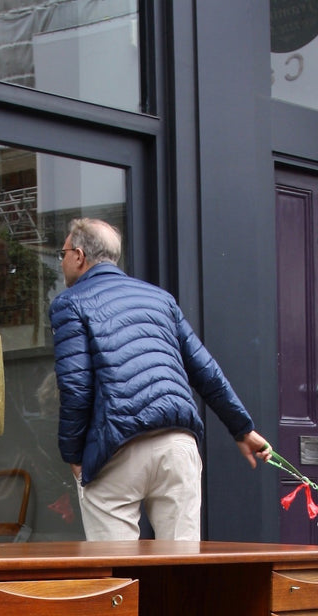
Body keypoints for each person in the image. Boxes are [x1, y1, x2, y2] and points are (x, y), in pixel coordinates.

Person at [49, 217, 272, 541]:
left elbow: (75, 386)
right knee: (181, 574)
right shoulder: (160, 299)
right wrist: (242, 429)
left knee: (119, 579)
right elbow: (205, 369)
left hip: (116, 447)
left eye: (64, 252)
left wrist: (73, 455)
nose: (63, 260)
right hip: (177, 446)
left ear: (79, 256)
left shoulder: (69, 302)